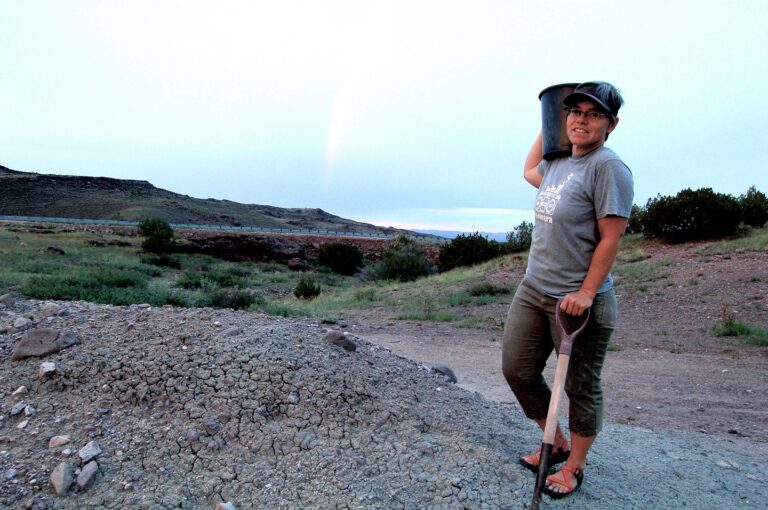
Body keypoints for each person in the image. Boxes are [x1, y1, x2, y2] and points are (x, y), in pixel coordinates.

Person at [501, 81, 633, 498]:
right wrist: (549, 120)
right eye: (574, 111)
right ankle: (553, 440)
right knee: (517, 369)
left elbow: (611, 239)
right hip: (534, 288)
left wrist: (587, 294)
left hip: (577, 300)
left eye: (593, 114)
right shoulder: (558, 163)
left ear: (611, 124)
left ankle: (574, 466)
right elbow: (529, 170)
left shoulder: (608, 168)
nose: (582, 119)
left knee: (580, 385)